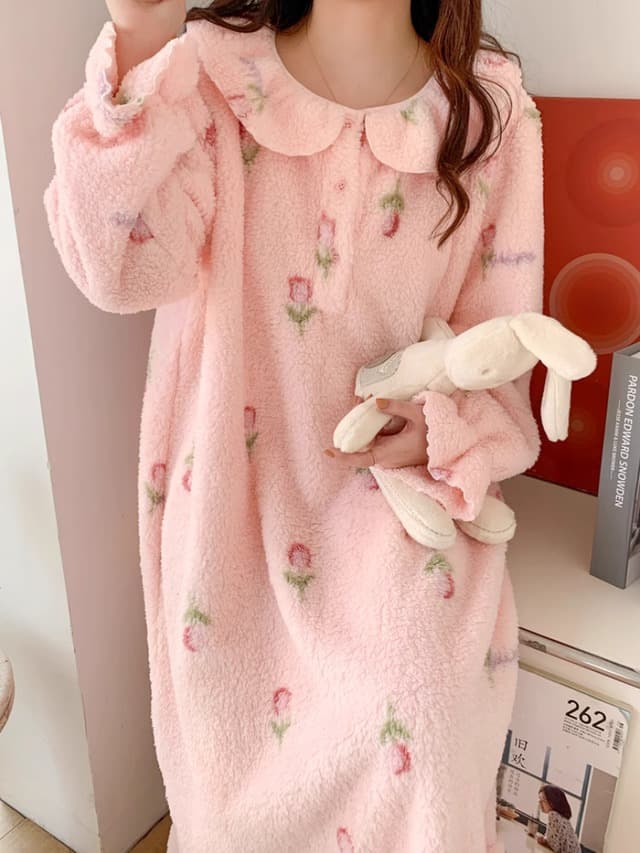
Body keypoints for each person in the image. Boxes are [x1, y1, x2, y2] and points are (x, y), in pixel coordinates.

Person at [43, 0, 544, 849]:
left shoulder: (490, 116)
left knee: (421, 722)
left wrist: (442, 427)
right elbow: (118, 268)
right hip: (234, 517)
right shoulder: (213, 78)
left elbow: (500, 349)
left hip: (397, 506)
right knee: (228, 777)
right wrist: (136, 43)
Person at [537, 786, 581, 853]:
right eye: (539, 799)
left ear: (553, 802)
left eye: (543, 800)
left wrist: (543, 841)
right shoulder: (562, 818)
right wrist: (544, 840)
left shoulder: (553, 815)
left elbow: (554, 847)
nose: (540, 802)